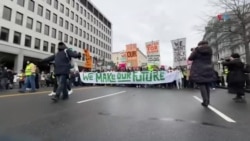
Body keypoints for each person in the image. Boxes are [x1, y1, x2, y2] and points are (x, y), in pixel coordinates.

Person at [188, 41, 216, 107]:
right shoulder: (210, 50)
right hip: (208, 68)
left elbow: (190, 58)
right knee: (207, 85)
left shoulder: (197, 50)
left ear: (200, 45)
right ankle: (208, 100)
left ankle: (205, 101)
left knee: (202, 85)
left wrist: (194, 50)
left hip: (199, 69)